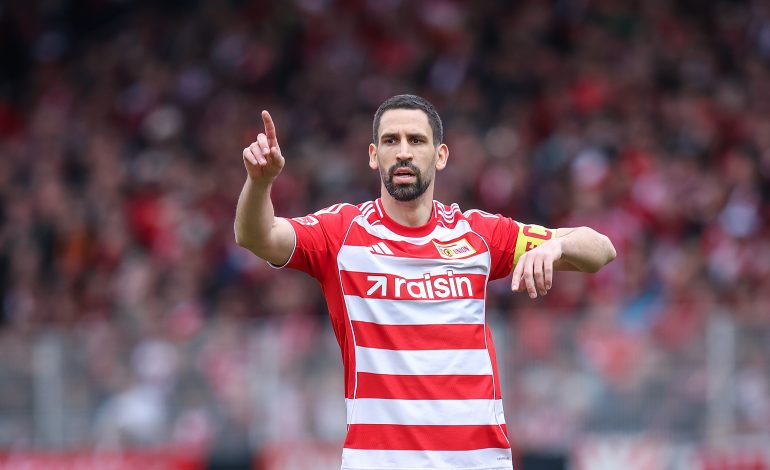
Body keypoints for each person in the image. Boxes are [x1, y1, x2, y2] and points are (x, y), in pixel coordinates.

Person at [234, 94, 616, 470]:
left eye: (416, 140)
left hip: (477, 463)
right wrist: (259, 183)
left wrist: (555, 246)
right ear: (373, 155)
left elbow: (601, 249)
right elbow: (257, 236)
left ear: (440, 155)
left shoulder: (476, 235)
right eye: (391, 140)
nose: (403, 152)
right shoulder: (341, 234)